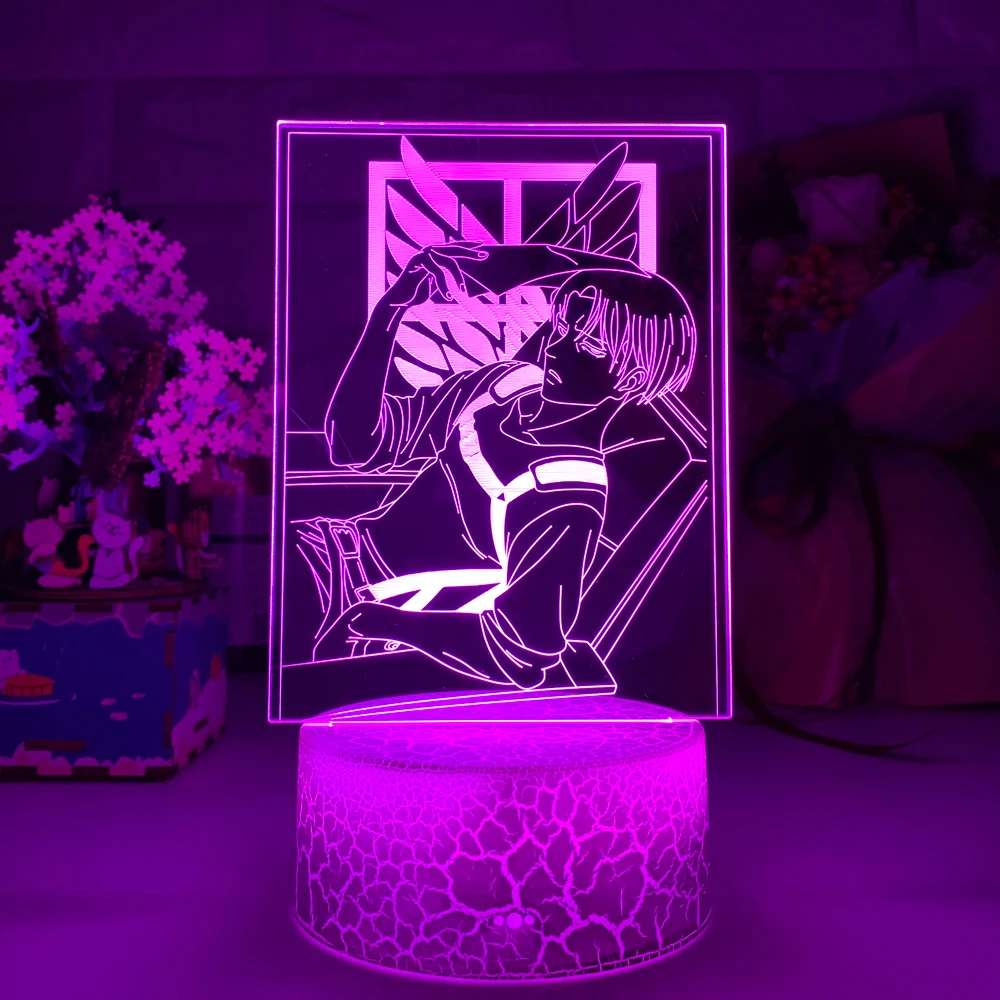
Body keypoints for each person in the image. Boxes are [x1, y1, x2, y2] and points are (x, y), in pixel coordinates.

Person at [312, 242, 696, 691]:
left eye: (589, 344)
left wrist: (386, 623)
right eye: (564, 323)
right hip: (328, 545)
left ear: (630, 377)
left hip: (356, 596)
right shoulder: (507, 384)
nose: (557, 346)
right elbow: (353, 444)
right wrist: (392, 309)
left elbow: (524, 650)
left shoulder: (567, 493)